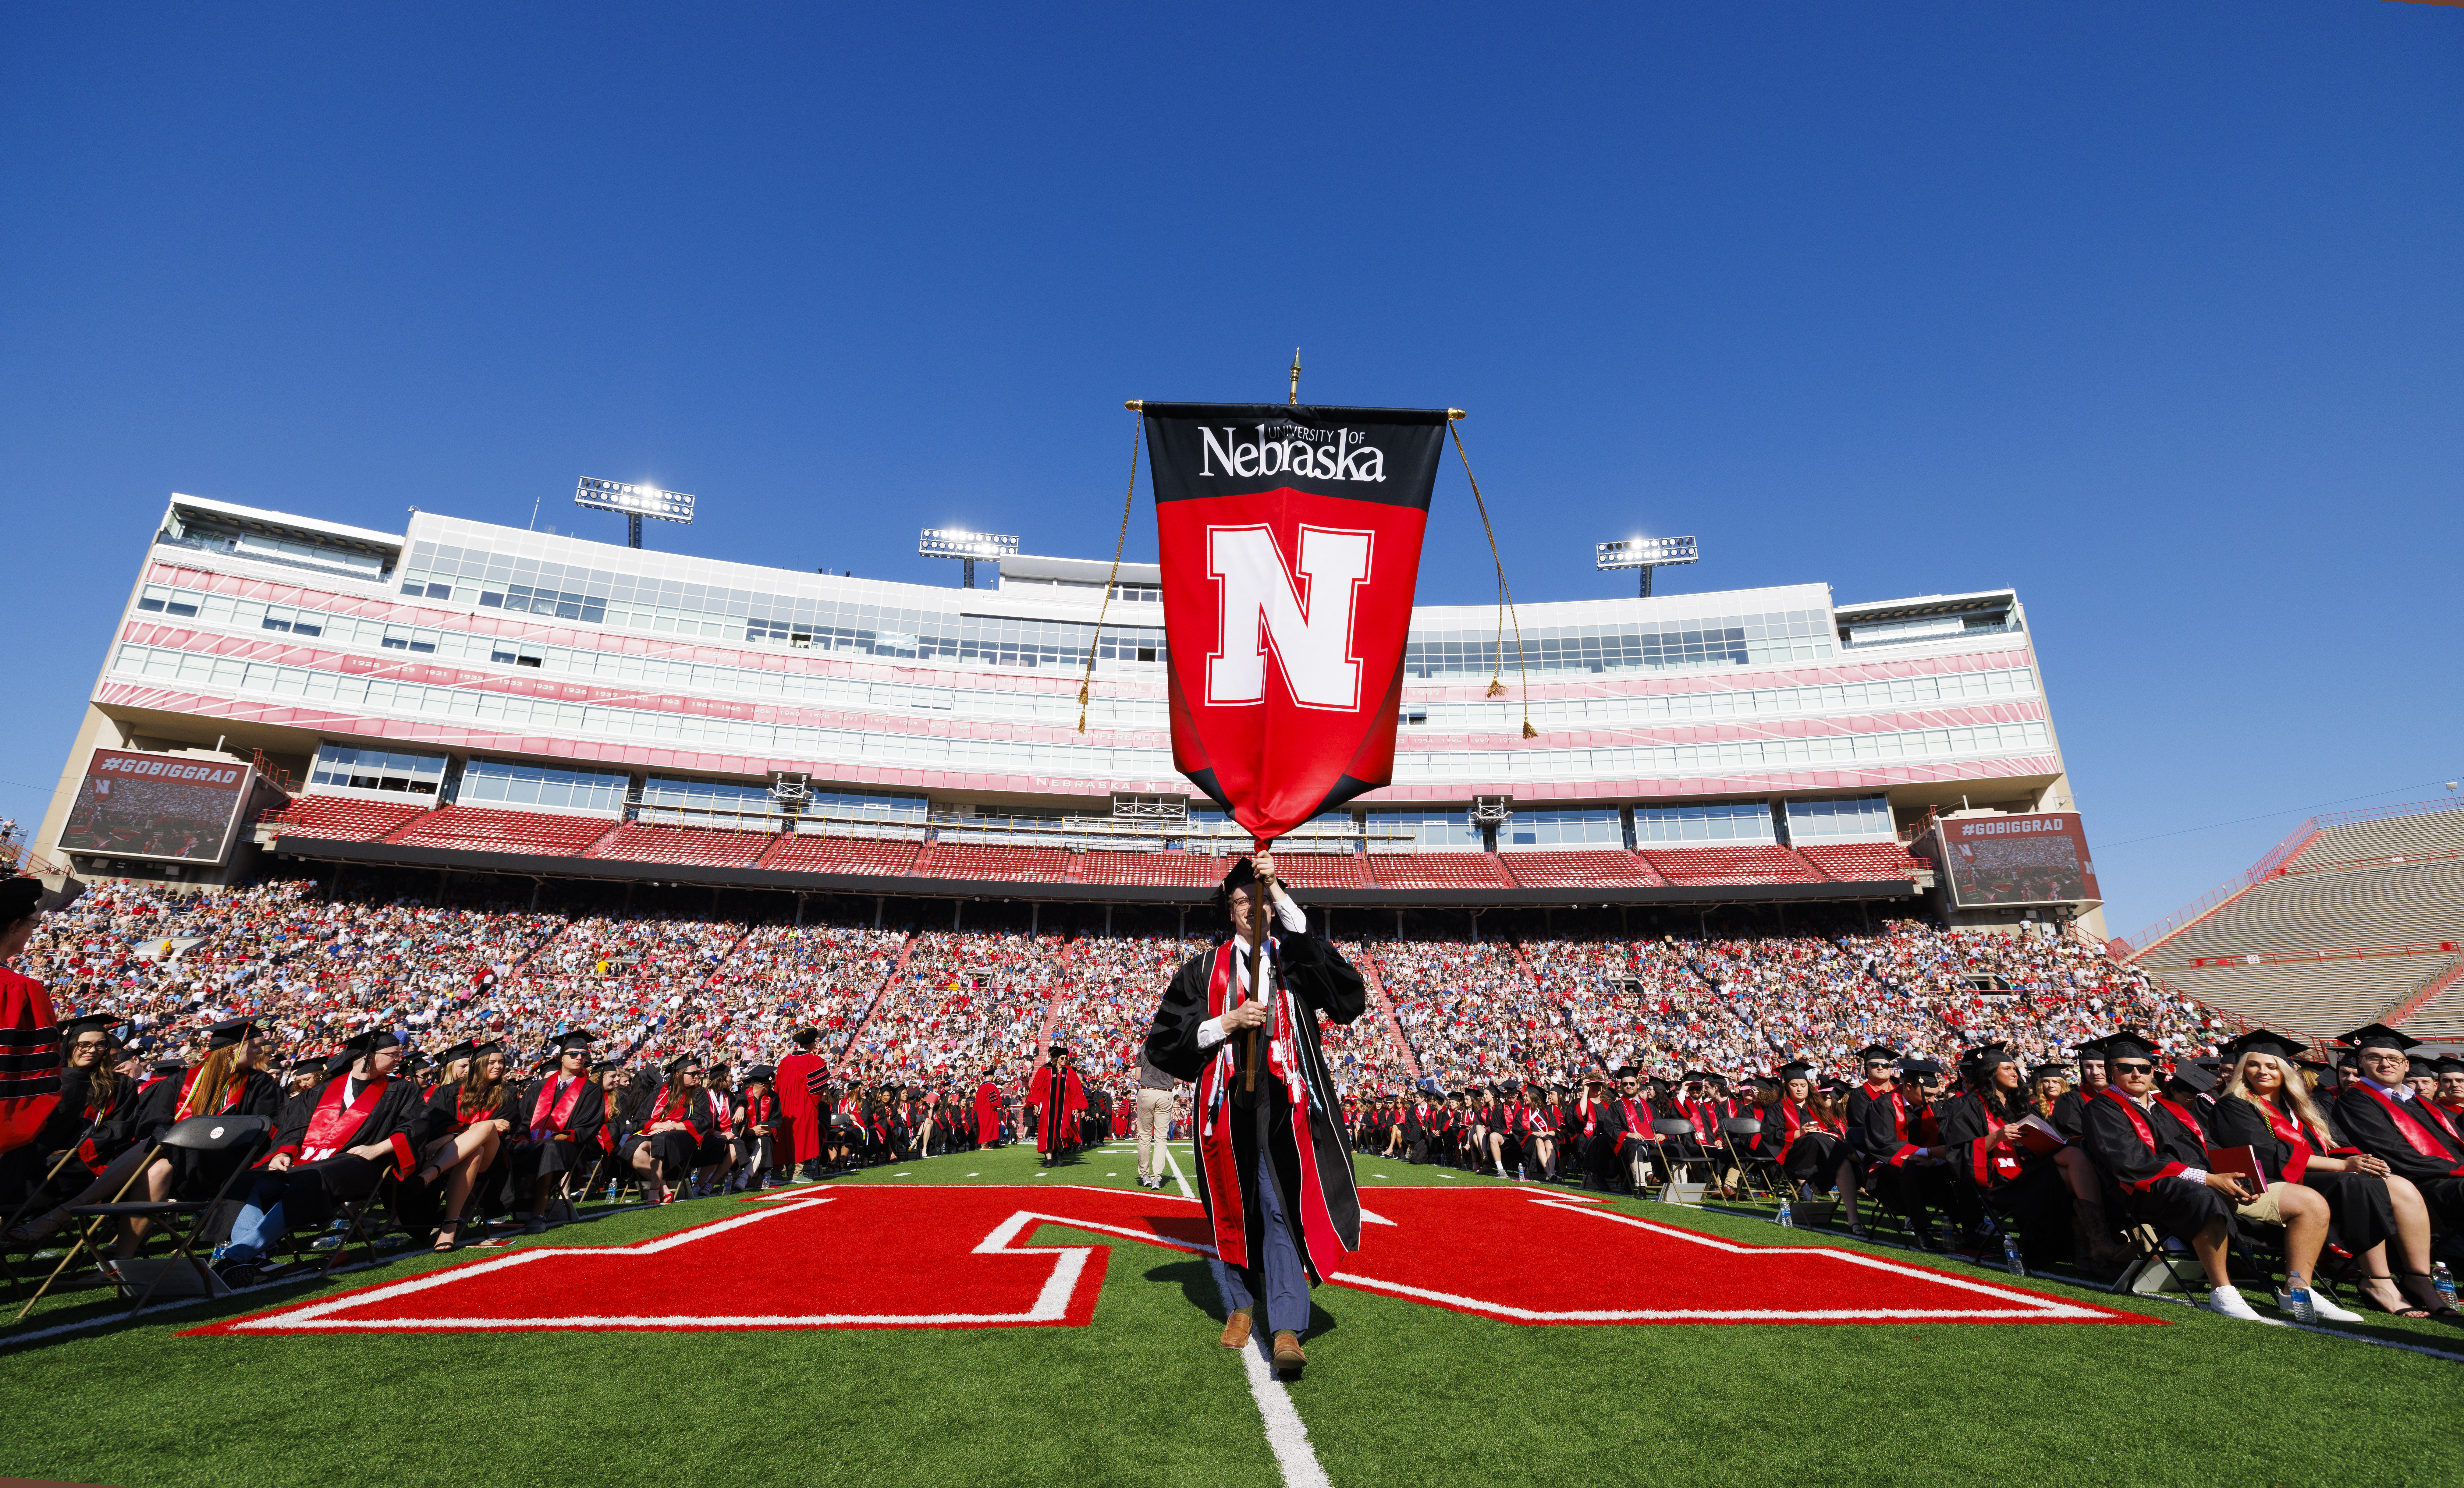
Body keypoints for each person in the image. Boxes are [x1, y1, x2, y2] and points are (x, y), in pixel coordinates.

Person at [1143, 853, 1365, 1377]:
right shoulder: (1201, 968)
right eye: (1242, 900)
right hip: (1226, 1104)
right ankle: (1242, 1305)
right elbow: (1166, 1042)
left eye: (1259, 898)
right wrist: (1226, 1020)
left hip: (1284, 1105)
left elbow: (1346, 999)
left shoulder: (1296, 958)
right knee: (1233, 1205)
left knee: (1279, 1205)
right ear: (1230, 910)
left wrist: (1279, 891)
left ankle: (1286, 1323)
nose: (1250, 907)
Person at [2081, 1033, 2335, 1322]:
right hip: (2150, 1189)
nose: (2137, 1073)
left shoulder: (2171, 1108)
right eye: (2126, 1068)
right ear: (2111, 1071)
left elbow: (2210, 1148)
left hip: (2212, 1182)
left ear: (2155, 1070)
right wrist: (2209, 1180)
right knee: (2204, 1196)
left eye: (2146, 1066)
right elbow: (2130, 1163)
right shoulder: (2102, 1108)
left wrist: (2241, 1177)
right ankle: (2223, 1290)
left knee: (2310, 1202)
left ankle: (2297, 1287)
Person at [2210, 1028, 2444, 1320]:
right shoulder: (2235, 1104)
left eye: (2272, 1066)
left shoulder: (2303, 1106)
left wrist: (2362, 1161)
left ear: (2286, 1070)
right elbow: (2265, 1155)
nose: (2262, 1071)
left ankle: (2414, 1275)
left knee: (2391, 1184)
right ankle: (2377, 1280)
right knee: (2356, 1183)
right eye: (2253, 1065)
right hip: (2277, 1181)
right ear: (2243, 1070)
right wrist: (2344, 1166)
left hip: (2318, 1177)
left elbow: (2338, 1144)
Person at [214, 1028, 427, 1285]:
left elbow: (415, 1127)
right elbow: (294, 1127)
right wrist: (283, 1152)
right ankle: (258, 1258)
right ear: (369, 1056)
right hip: (307, 1160)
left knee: (312, 1178)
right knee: (248, 1180)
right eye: (393, 1054)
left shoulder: (401, 1090)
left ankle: (236, 1257)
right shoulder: (323, 1090)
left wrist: (377, 1149)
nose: (399, 1059)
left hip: (358, 1164)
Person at [2330, 1023, 2464, 1284]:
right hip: (2415, 1184)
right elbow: (2394, 1154)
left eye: (2393, 1058)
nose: (2385, 1064)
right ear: (2361, 1064)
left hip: (2449, 1176)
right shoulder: (2357, 1101)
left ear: (2405, 1065)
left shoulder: (2420, 1102)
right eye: (2374, 1058)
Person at [416, 1041, 516, 1250]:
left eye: (502, 1062)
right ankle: (450, 1227)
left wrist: (453, 1134)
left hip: (492, 1158)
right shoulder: (448, 1092)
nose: (498, 1067)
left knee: (487, 1130)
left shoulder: (508, 1093)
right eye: (492, 1063)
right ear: (478, 1064)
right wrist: (455, 1133)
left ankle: (434, 1172)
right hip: (458, 1155)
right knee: (475, 1150)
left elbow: (503, 1127)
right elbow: (435, 1127)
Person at [512, 1030, 605, 1232]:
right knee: (507, 1148)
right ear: (561, 1058)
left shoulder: (591, 1090)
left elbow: (587, 1126)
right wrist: (521, 1137)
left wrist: (555, 1138)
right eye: (573, 1054)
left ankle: (538, 1214)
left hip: (568, 1147)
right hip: (532, 1143)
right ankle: (510, 1210)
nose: (580, 1057)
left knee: (551, 1149)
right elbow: (524, 1120)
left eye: (584, 1054)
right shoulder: (539, 1087)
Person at [622, 1054, 711, 1205]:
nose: (698, 1076)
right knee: (631, 1147)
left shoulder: (699, 1094)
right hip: (656, 1131)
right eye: (693, 1074)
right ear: (678, 1075)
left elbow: (702, 1121)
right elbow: (640, 1119)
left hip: (683, 1135)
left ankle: (654, 1190)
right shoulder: (659, 1092)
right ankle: (663, 1185)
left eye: (699, 1073)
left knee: (661, 1139)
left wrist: (673, 1126)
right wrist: (658, 1125)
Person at [776, 1027, 827, 1182]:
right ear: (811, 1045)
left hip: (784, 1106)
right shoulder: (813, 1061)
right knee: (801, 1136)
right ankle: (797, 1173)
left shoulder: (785, 1061)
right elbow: (818, 1089)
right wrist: (814, 1103)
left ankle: (777, 1172)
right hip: (804, 1105)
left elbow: (777, 1085)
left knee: (783, 1136)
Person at [1027, 1043, 1086, 1167]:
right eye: (1063, 1058)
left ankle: (1060, 1154)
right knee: (1047, 1132)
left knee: (1062, 1132)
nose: (1065, 1060)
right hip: (1048, 1109)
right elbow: (1038, 1088)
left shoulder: (1070, 1073)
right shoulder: (1046, 1072)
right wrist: (1035, 1103)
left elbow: (1076, 1091)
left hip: (1064, 1109)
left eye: (1066, 1058)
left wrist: (1076, 1106)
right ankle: (1049, 1159)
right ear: (1056, 1059)